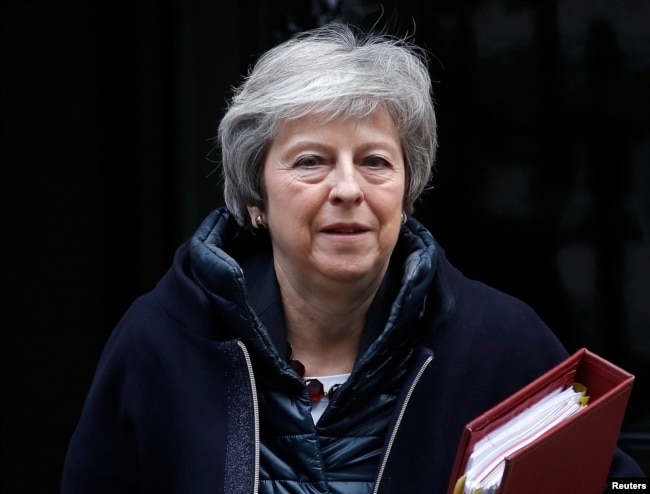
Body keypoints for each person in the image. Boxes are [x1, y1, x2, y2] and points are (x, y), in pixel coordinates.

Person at [61, 23, 644, 493]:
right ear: (255, 196)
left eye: (375, 162)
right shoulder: (160, 339)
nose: (347, 188)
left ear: (407, 191)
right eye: (311, 161)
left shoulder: (499, 340)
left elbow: (624, 488)